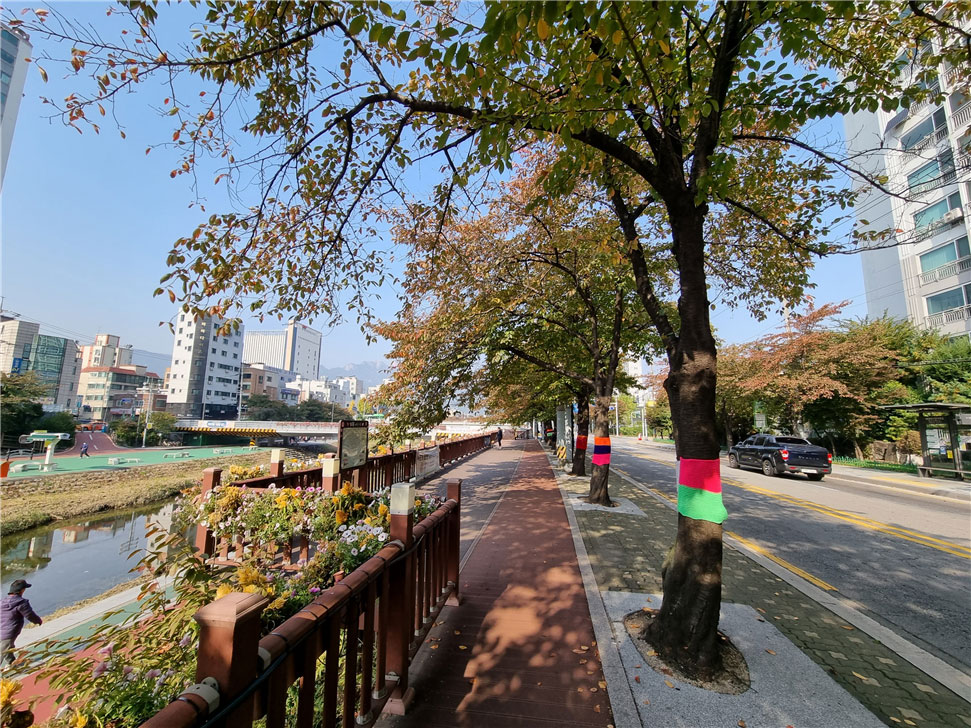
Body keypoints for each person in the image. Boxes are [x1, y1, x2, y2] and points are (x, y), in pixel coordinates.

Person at [1, 580, 42, 668]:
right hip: (10, 630)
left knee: (7, 647)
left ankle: (13, 664)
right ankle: (12, 664)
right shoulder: (21, 602)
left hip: (1, 629)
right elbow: (29, 614)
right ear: (22, 590)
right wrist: (38, 621)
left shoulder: (2, 601)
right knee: (4, 650)